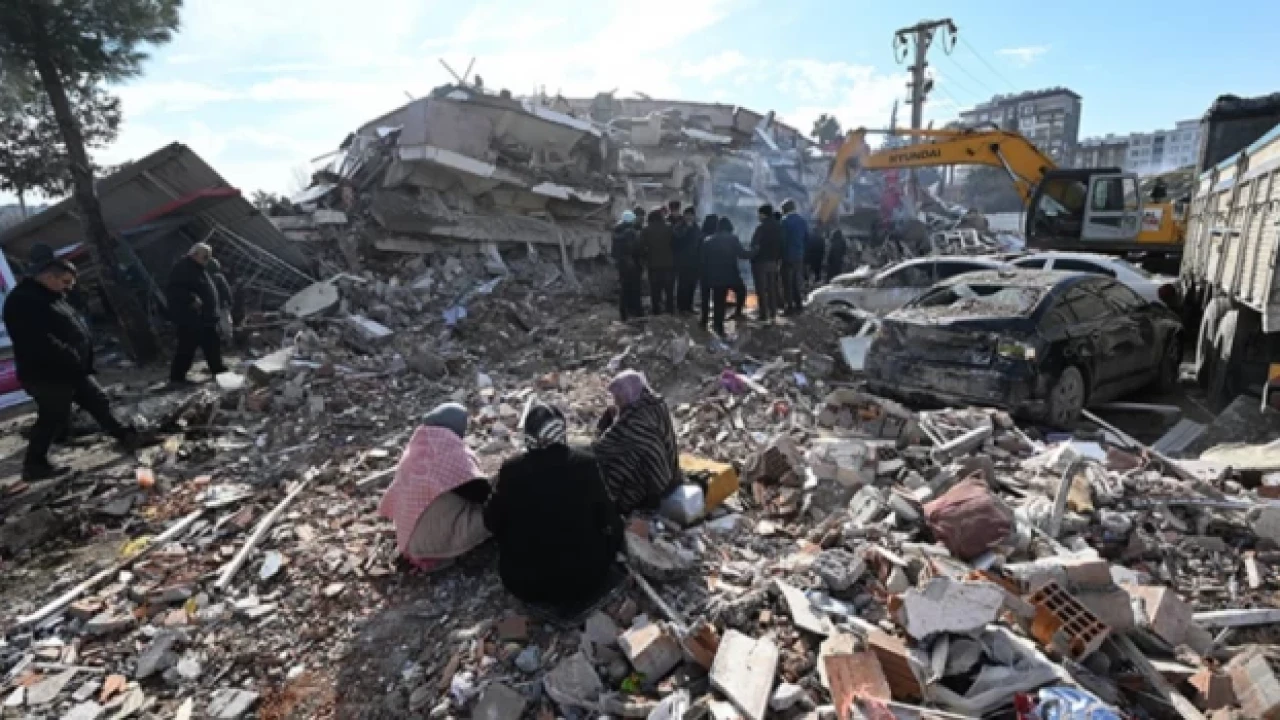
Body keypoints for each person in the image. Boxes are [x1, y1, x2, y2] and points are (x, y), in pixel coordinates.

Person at [3, 251, 151, 480]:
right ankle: (34, 465)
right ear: (48, 277)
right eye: (65, 282)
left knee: (98, 401)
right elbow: (37, 340)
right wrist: (69, 355)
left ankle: (126, 436)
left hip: (72, 369)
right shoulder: (22, 301)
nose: (69, 288)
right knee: (53, 417)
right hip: (47, 373)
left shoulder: (52, 295)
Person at [484, 400, 624, 617]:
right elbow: (609, 518)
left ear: (528, 436)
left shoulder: (512, 470)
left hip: (526, 583)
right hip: (587, 577)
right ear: (561, 431)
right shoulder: (585, 463)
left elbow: (491, 521)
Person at [378, 404, 492, 572]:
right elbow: (483, 495)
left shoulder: (416, 451)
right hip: (431, 543)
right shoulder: (450, 456)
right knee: (498, 512)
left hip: (409, 539)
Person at [593, 370, 682, 514]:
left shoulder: (638, 418)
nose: (616, 402)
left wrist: (593, 447)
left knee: (611, 471)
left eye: (619, 398)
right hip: (670, 470)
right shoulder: (655, 403)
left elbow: (611, 444)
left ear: (630, 393)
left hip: (652, 482)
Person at [166, 243, 228, 385]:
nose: (207, 260)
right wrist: (192, 299)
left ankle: (218, 369)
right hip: (192, 318)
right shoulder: (183, 268)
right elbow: (175, 290)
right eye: (205, 257)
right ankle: (177, 378)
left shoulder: (196, 268)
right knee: (186, 348)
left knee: (212, 344)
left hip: (204, 318)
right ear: (194, 255)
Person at [702, 216, 749, 336]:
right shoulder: (733, 239)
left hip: (715, 276)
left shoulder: (708, 240)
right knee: (741, 291)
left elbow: (703, 260)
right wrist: (755, 250)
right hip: (731, 275)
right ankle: (738, 312)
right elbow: (743, 254)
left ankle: (718, 327)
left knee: (719, 302)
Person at [749, 204, 784, 322]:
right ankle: (773, 312)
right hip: (774, 262)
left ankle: (764, 314)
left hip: (761, 262)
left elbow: (754, 245)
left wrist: (751, 256)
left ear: (763, 214)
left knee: (761, 289)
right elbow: (782, 245)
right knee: (772, 288)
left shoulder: (761, 227)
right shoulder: (779, 227)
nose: (758, 216)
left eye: (759, 214)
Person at [638, 208, 676, 314]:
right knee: (669, 290)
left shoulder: (646, 230)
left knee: (655, 291)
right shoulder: (669, 228)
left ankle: (656, 311)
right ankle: (670, 310)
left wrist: (645, 258)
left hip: (653, 265)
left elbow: (640, 247)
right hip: (668, 265)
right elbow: (675, 244)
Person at [612, 211, 645, 321]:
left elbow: (614, 252)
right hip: (632, 265)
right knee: (635, 289)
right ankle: (638, 312)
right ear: (631, 220)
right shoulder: (630, 232)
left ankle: (623, 313)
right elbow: (636, 248)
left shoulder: (616, 231)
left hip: (622, 265)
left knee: (624, 289)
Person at [780, 199, 809, 314]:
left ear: (785, 209)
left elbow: (782, 240)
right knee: (796, 281)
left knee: (787, 282)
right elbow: (806, 238)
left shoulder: (785, 221)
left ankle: (789, 306)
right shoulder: (802, 221)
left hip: (787, 256)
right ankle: (799, 305)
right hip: (799, 256)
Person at [673, 206, 701, 314]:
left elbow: (699, 242)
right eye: (687, 215)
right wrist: (687, 230)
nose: (689, 217)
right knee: (683, 285)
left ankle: (689, 306)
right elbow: (677, 241)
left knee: (692, 285)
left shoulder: (697, 228)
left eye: (691, 215)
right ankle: (681, 307)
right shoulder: (679, 227)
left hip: (694, 262)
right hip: (683, 261)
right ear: (684, 216)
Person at [206, 258, 234, 340]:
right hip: (221, 305)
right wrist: (230, 302)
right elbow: (226, 291)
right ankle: (228, 340)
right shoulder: (219, 277)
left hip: (208, 307)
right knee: (226, 324)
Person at [805, 216, 826, 286]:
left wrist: (807, 257)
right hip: (818, 258)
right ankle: (817, 283)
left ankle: (808, 283)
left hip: (811, 257)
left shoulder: (811, 237)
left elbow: (808, 247)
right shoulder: (821, 238)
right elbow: (823, 249)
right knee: (817, 271)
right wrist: (823, 257)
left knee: (810, 271)